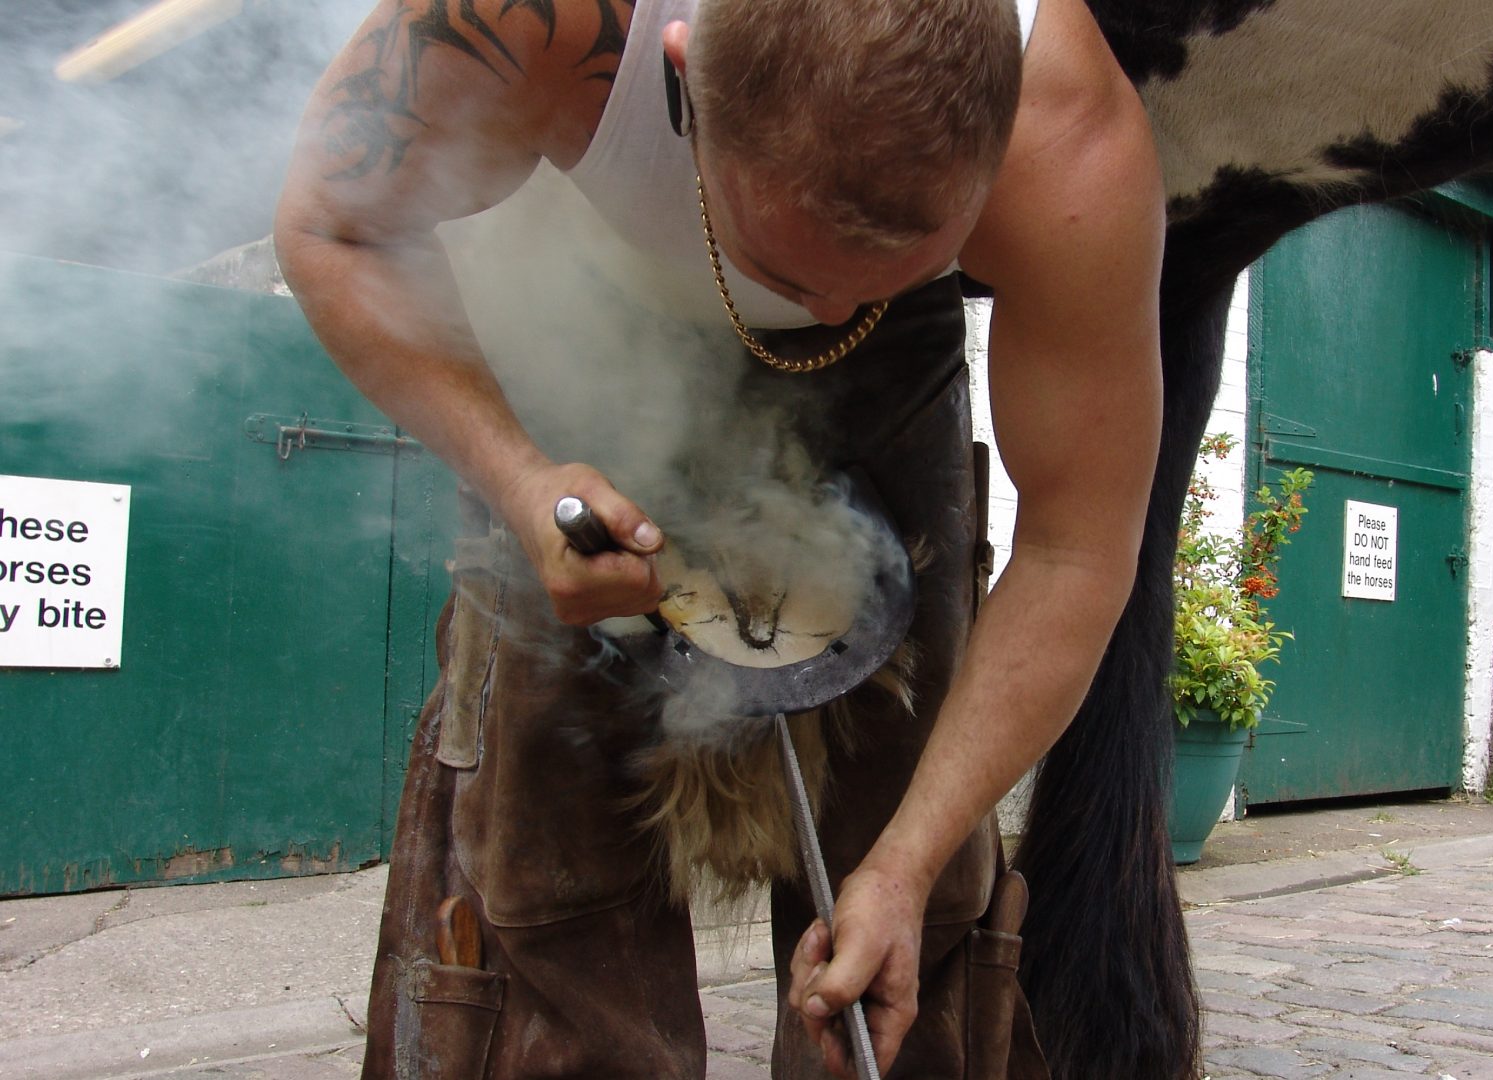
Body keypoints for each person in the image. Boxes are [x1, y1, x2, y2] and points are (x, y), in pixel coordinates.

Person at [274, 0, 1164, 1075]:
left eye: (885, 265)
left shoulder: (1071, 135)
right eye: (798, 275)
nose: (827, 304)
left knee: (908, 891)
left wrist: (907, 868)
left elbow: (1077, 551)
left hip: (897, 363)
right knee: (554, 867)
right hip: (577, 285)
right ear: (685, 68)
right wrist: (520, 479)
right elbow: (333, 227)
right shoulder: (534, 22)